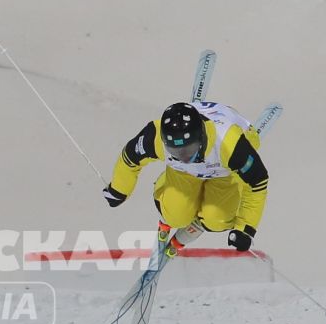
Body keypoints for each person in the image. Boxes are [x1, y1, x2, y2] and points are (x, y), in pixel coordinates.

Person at [101, 101, 269, 251]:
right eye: (174, 151)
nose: (184, 157)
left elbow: (257, 183)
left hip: (223, 172)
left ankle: (204, 214)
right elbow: (130, 159)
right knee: (175, 216)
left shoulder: (230, 144)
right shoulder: (155, 136)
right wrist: (119, 190)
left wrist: (245, 228)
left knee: (216, 222)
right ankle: (166, 185)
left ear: (202, 137)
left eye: (189, 149)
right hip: (184, 172)